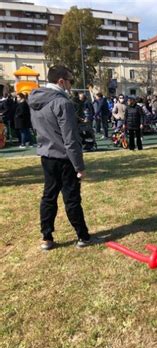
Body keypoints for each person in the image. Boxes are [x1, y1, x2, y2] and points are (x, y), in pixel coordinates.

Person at [29, 65, 92, 250]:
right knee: (71, 198)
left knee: (48, 196)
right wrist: (79, 166)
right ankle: (83, 236)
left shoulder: (35, 100)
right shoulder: (63, 103)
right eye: (71, 81)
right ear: (61, 81)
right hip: (64, 157)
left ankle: (46, 237)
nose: (72, 85)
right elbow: (70, 139)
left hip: (46, 154)